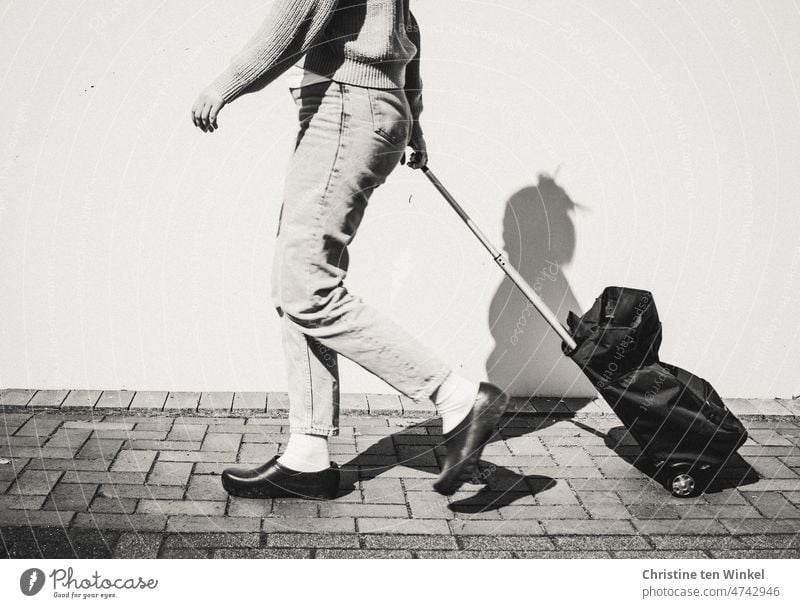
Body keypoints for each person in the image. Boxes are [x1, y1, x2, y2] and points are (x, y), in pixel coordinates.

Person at [191, 0, 508, 500]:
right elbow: (407, 32)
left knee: (307, 288)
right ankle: (307, 456)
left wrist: (225, 84)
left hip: (344, 108)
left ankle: (458, 398)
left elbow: (296, 19)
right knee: (295, 282)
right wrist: (414, 120)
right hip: (370, 108)